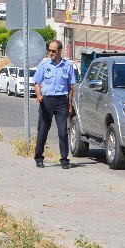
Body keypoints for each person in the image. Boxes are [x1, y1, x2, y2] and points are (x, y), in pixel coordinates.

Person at [32, 40, 76, 169]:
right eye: (49, 50)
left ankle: (64, 159)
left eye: (53, 51)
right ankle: (39, 158)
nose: (51, 53)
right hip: (47, 100)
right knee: (43, 130)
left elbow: (70, 86)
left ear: (60, 51)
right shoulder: (44, 65)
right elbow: (37, 82)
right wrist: (39, 95)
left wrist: (70, 104)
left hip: (62, 101)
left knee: (63, 131)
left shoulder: (68, 65)